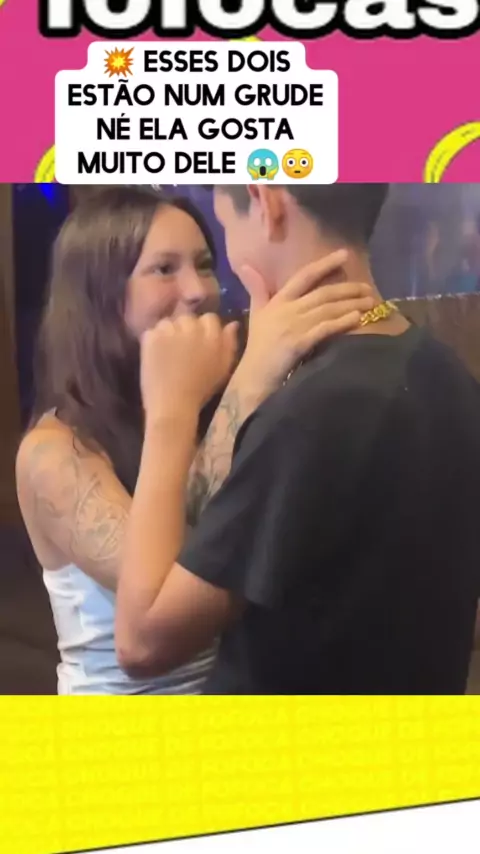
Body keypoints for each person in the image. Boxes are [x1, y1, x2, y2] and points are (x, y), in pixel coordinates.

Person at [115, 183, 480, 695]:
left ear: (264, 201)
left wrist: (169, 413)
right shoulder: (447, 373)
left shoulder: (311, 414)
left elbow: (142, 642)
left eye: (225, 230)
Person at [15, 186, 374, 695]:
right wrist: (225, 388)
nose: (198, 290)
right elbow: (163, 597)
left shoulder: (214, 403)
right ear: (99, 296)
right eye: (164, 269)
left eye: (205, 265)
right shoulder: (53, 453)